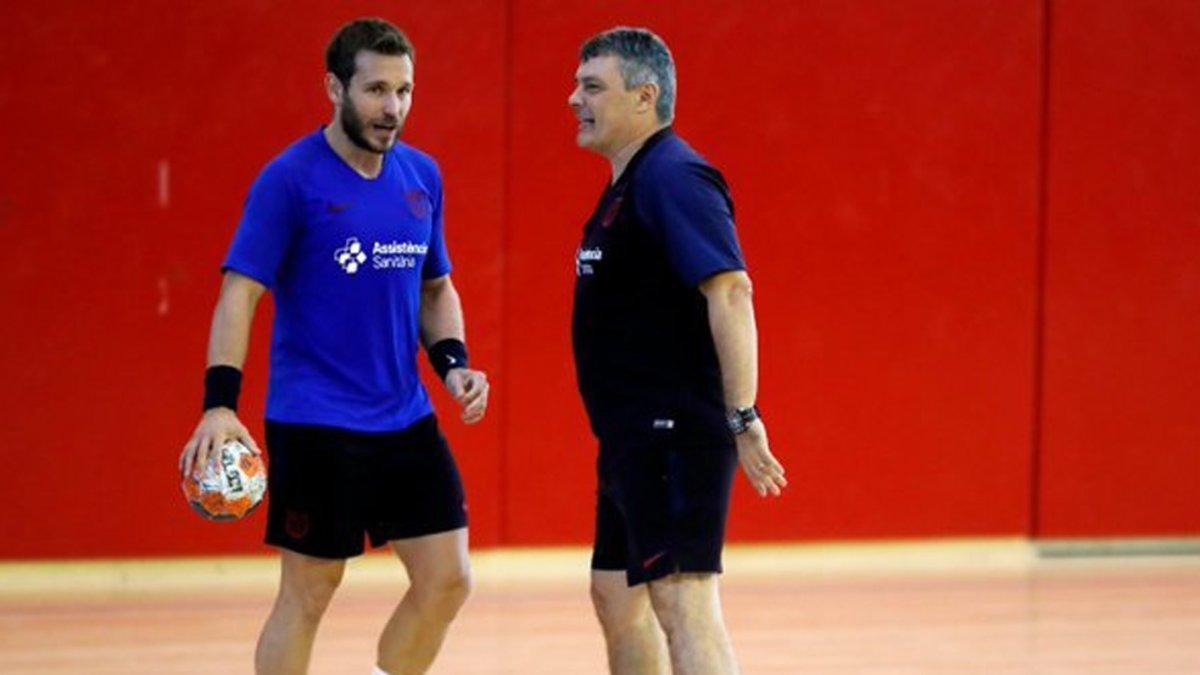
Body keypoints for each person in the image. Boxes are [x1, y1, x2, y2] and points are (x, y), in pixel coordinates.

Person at [178, 18, 488, 675]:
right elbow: (240, 293)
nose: (393, 108)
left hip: (404, 417)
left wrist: (454, 364)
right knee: (310, 592)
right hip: (316, 421)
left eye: (404, 91)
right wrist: (219, 404)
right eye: (376, 89)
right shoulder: (289, 179)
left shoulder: (421, 177)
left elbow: (436, 288)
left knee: (449, 578)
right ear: (334, 87)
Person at [568, 27, 788, 674]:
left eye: (591, 87)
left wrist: (742, 417)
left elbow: (732, 291)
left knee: (683, 600)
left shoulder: (673, 175)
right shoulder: (629, 182)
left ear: (644, 96)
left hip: (673, 432)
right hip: (631, 437)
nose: (573, 99)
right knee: (616, 595)